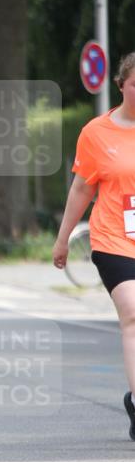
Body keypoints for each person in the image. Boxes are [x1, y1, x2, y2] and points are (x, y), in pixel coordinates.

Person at [53, 52, 135, 441]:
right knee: (133, 313)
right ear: (121, 85)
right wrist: (63, 238)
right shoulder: (96, 133)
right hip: (113, 238)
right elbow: (82, 188)